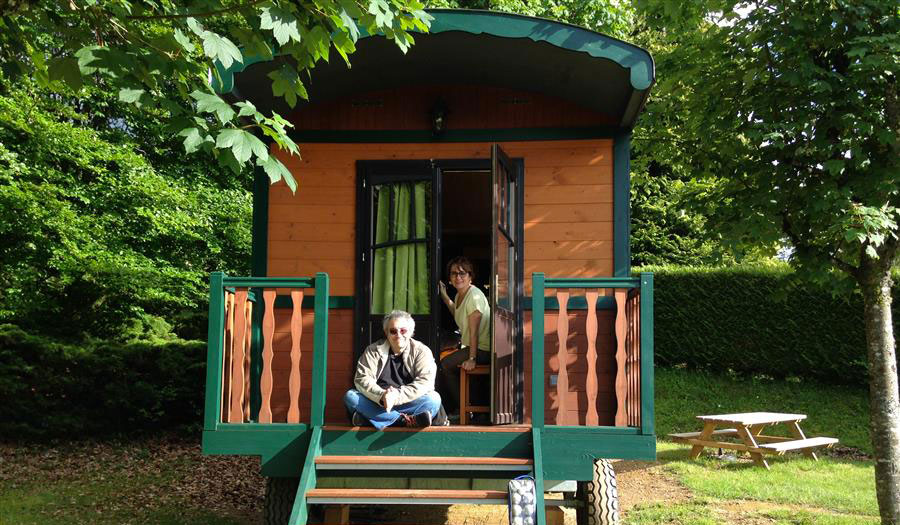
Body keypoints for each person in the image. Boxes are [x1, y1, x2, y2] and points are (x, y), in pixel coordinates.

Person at [343, 310, 442, 429]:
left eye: (403, 330)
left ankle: (373, 419)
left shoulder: (422, 351)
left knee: (433, 399)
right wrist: (382, 395)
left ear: (411, 332)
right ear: (386, 333)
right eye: (393, 331)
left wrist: (396, 396)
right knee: (351, 397)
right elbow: (362, 379)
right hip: (378, 404)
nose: (398, 335)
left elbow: (425, 383)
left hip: (408, 403)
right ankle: (403, 420)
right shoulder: (373, 351)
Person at [438, 256, 491, 416]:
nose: (458, 277)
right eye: (454, 273)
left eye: (462, 273)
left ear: (470, 276)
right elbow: (457, 312)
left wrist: (472, 359)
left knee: (446, 364)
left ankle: (464, 409)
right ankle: (466, 406)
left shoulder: (474, 296)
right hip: (472, 347)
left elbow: (474, 332)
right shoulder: (460, 295)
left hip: (482, 349)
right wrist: (444, 295)